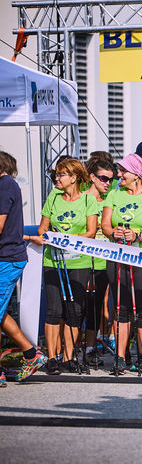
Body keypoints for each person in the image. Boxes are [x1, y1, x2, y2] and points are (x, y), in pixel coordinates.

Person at [101, 153, 142, 375]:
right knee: (121, 308)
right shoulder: (114, 195)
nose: (119, 175)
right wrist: (114, 232)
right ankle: (120, 357)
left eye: (123, 172)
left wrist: (136, 236)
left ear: (136, 174)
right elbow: (105, 225)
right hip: (118, 255)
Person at [33, 158, 98, 374]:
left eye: (61, 175)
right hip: (53, 260)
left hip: (77, 260)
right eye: (56, 175)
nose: (57, 179)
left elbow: (91, 231)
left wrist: (68, 240)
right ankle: (52, 357)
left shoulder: (89, 201)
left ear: (74, 178)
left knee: (74, 310)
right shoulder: (53, 196)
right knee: (54, 310)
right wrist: (51, 237)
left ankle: (68, 357)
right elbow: (42, 229)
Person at [1, 152, 47, 385]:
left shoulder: (5, 186)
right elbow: (11, 228)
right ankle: (31, 353)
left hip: (6, 259)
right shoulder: (8, 185)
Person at [83, 159, 115, 368]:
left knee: (96, 306)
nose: (108, 183)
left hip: (104, 260)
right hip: (81, 259)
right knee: (78, 307)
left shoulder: (109, 199)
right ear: (92, 177)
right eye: (104, 178)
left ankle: (90, 348)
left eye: (111, 180)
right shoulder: (82, 198)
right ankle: (66, 351)